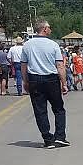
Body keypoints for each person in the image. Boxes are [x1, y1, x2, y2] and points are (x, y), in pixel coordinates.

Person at [21, 20, 69, 149]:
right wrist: (64, 83)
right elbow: (60, 65)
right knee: (58, 109)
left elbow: (24, 65)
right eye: (49, 28)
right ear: (44, 29)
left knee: (40, 110)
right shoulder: (53, 45)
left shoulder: (27, 45)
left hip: (34, 79)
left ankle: (47, 138)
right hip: (51, 79)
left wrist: (25, 81)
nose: (51, 30)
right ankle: (60, 137)